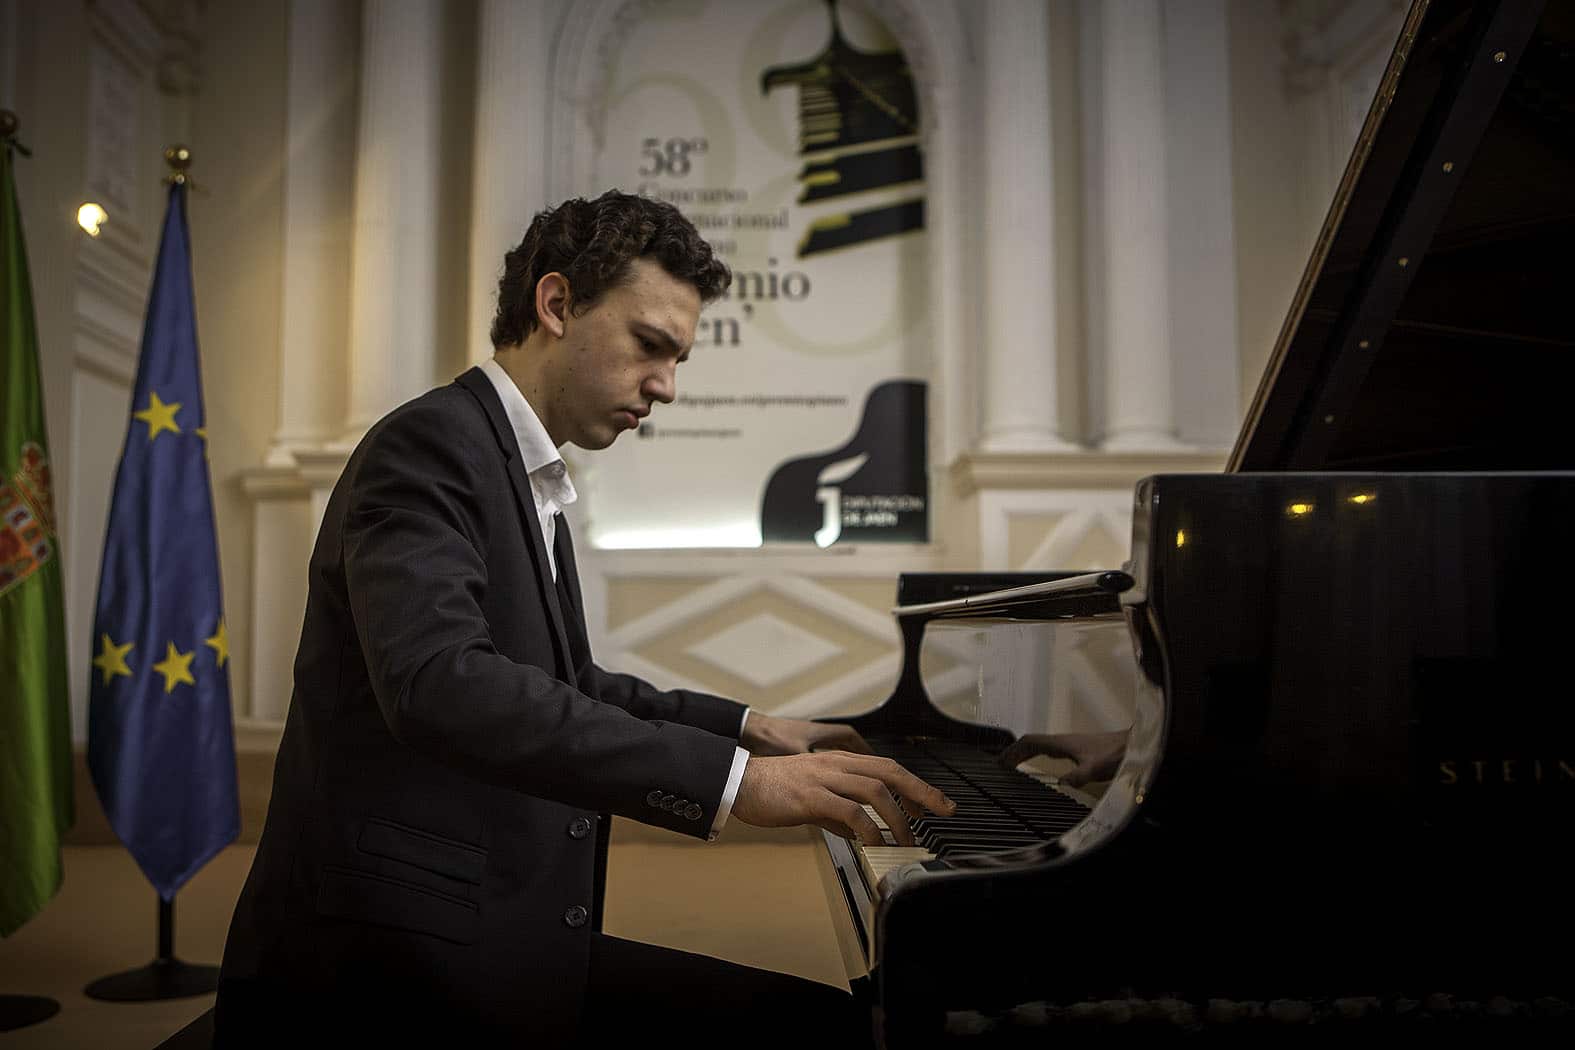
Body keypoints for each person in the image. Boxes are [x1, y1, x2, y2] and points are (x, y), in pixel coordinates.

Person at [212, 191, 954, 1048]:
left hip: (487, 932)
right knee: (826, 1033)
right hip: (382, 964)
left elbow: (571, 684)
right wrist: (736, 783)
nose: (665, 386)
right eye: (650, 346)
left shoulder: (520, 471)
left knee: (837, 1023)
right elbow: (438, 684)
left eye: (676, 359)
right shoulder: (430, 444)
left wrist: (751, 729)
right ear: (557, 303)